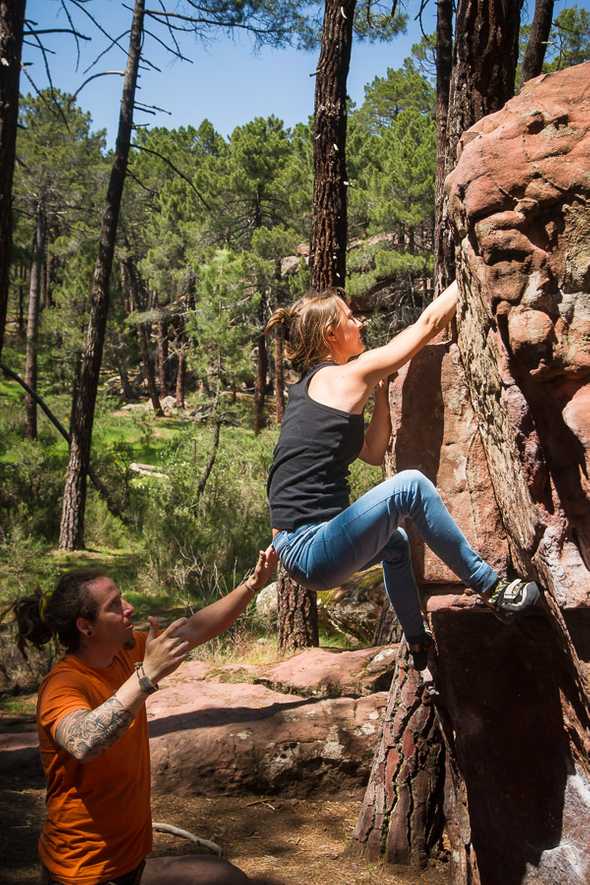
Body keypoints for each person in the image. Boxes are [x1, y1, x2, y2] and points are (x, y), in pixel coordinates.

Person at [265, 283, 540, 669]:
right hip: (311, 546)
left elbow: (374, 453)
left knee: (395, 545)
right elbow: (428, 323)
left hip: (303, 551)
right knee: (410, 485)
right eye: (350, 318)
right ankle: (493, 590)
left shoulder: (317, 387)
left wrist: (380, 392)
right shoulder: (342, 377)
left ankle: (416, 644)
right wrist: (467, 273)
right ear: (331, 333)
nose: (360, 324)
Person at [14, 554, 275, 885]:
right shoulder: (63, 684)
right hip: (82, 873)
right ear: (86, 626)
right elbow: (82, 742)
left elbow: (195, 628)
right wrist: (146, 676)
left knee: (226, 878)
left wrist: (252, 585)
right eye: (114, 604)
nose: (129, 607)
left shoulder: (124, 652)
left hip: (131, 863)